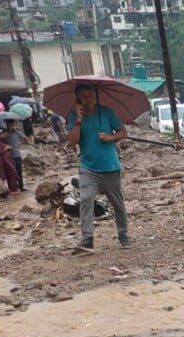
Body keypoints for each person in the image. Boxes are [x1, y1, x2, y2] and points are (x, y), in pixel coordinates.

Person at [66, 82, 130, 254]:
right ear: (78, 99)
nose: (88, 100)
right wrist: (79, 121)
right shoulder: (73, 117)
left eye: (90, 96)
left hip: (110, 166)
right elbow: (72, 142)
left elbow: (123, 132)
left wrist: (110, 137)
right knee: (86, 199)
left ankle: (123, 235)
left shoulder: (107, 112)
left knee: (117, 203)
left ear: (95, 96)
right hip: (88, 167)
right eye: (84, 98)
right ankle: (87, 239)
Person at [0, 121, 26, 191]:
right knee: (11, 172)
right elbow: (0, 142)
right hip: (9, 156)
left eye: (12, 125)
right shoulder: (5, 134)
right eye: (9, 125)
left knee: (19, 171)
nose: (11, 127)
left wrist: (19, 143)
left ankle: (21, 186)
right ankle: (14, 187)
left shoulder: (17, 133)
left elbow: (25, 139)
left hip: (17, 155)